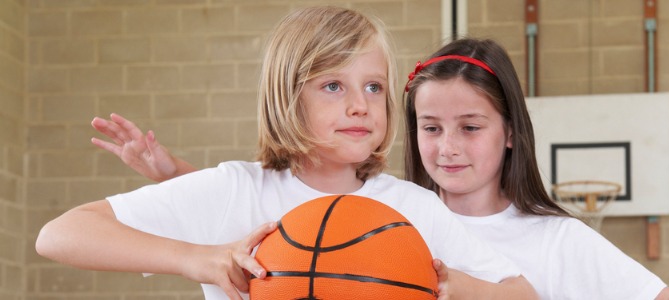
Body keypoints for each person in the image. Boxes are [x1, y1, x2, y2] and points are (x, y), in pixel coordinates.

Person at [86, 38, 669, 299]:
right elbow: (292, 233)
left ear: (512, 132)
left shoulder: (557, 241)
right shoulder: (392, 209)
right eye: (431, 128)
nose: (448, 147)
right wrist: (176, 178)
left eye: (471, 127)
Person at [35, 7, 538, 300]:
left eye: (373, 86)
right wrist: (197, 260)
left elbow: (523, 293)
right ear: (286, 95)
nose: (360, 105)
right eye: (334, 86)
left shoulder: (414, 207)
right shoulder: (234, 189)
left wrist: (458, 286)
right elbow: (59, 235)